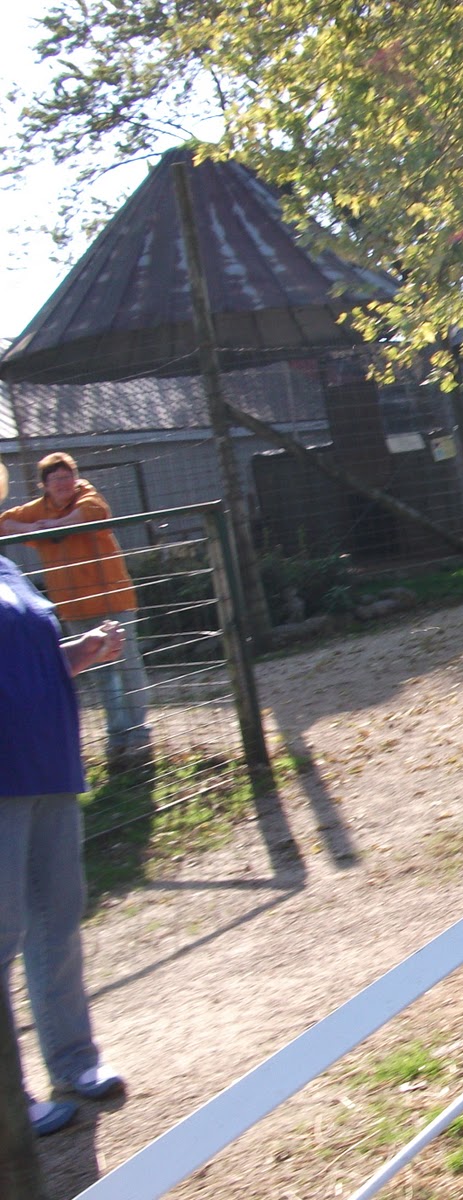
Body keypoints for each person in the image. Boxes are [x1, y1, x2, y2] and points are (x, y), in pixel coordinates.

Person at [0, 459, 128, 1139]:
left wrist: (82, 649)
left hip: (48, 764)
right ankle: (6, 1099)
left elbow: (32, 657)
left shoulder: (8, 570)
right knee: (0, 934)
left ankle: (74, 1064)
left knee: (57, 919)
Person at [0, 451, 151, 767]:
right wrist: (31, 530)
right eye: (56, 479)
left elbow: (92, 514)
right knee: (100, 674)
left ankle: (139, 737)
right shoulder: (37, 510)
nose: (64, 483)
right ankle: (117, 738)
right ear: (44, 485)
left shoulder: (87, 495)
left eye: (68, 476)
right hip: (74, 607)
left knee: (127, 666)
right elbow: (3, 523)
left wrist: (53, 527)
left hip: (112, 602)